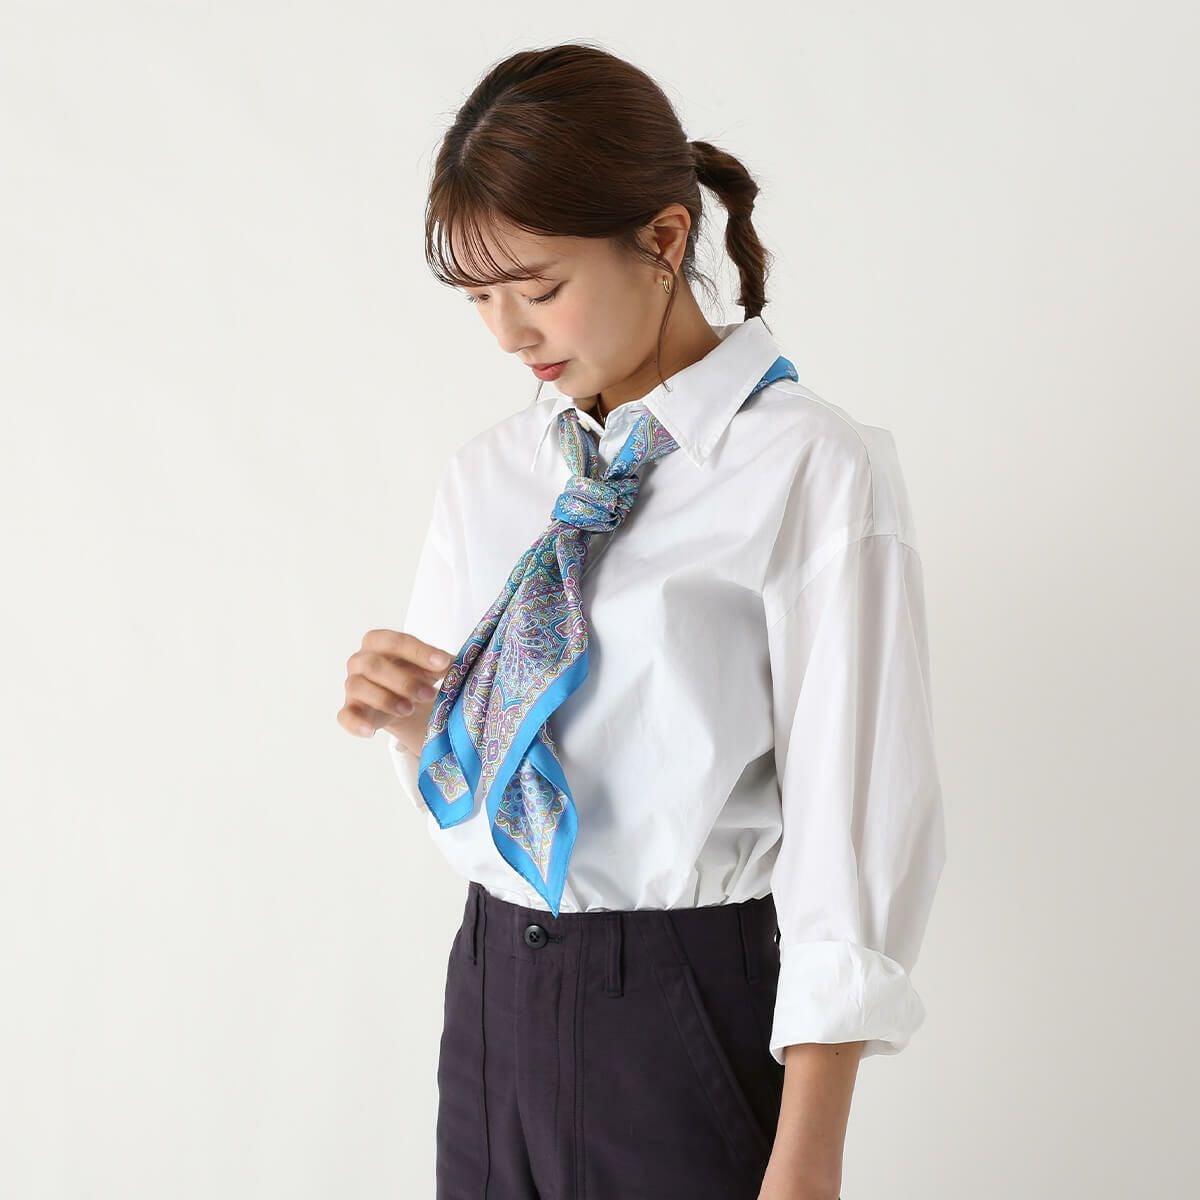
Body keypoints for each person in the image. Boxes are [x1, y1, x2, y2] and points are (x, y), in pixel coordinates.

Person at [338, 41, 946, 1200]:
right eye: (479, 299)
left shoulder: (810, 469)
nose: (509, 335)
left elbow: (855, 820)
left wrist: (809, 1156)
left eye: (538, 288)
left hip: (683, 1014)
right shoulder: (492, 476)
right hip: (490, 1002)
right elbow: (487, 799)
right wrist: (417, 722)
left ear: (665, 239)